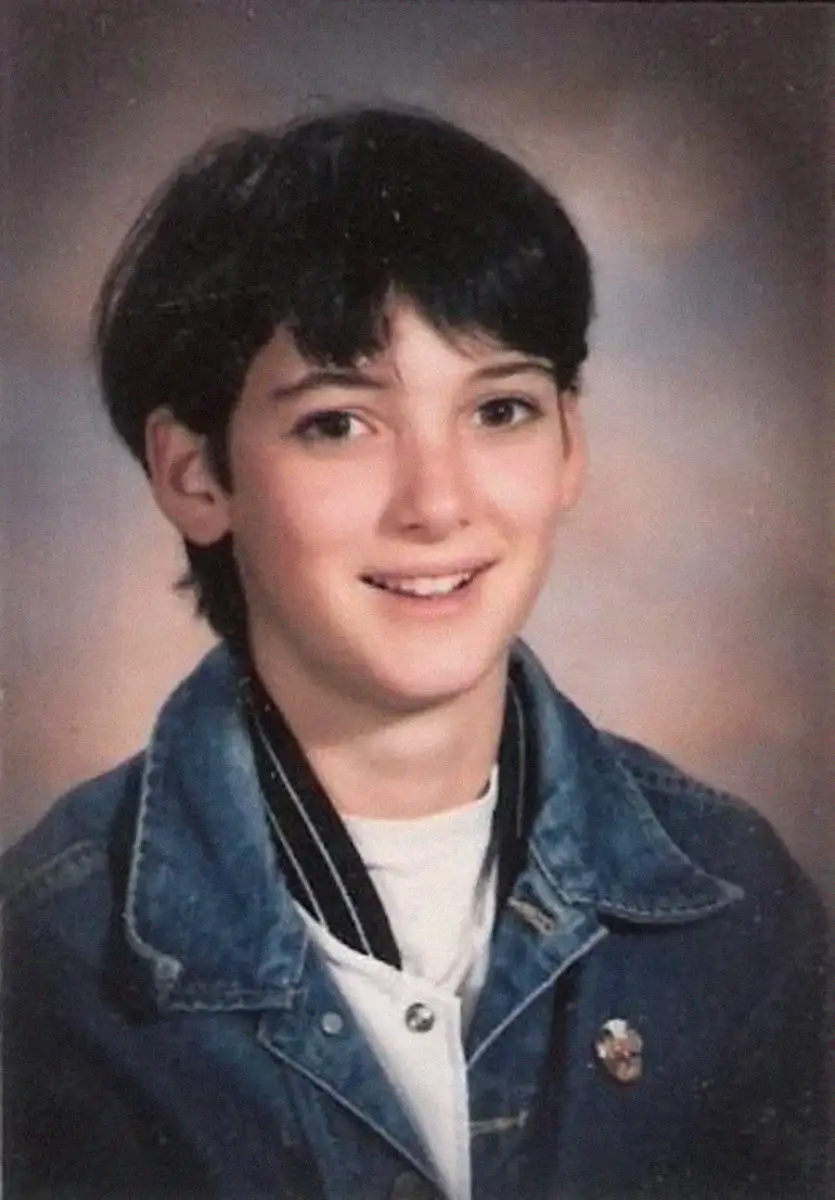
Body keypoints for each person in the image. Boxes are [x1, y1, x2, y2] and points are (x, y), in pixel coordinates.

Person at [1, 106, 827, 1200]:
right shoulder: (45, 965)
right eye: (339, 422)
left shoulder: (732, 904)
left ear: (570, 445)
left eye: (500, 409)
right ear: (194, 475)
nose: (438, 505)